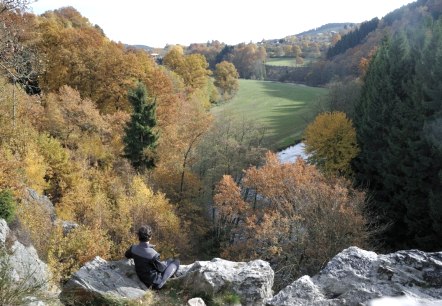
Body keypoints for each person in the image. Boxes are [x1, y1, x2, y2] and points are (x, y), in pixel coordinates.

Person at [125, 225, 180, 289]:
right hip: (154, 283)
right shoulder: (153, 254)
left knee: (170, 260)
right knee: (176, 261)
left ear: (138, 236)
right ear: (150, 237)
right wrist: (166, 263)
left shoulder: (133, 249)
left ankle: (170, 265)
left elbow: (127, 255)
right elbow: (161, 269)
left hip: (141, 277)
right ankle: (170, 280)